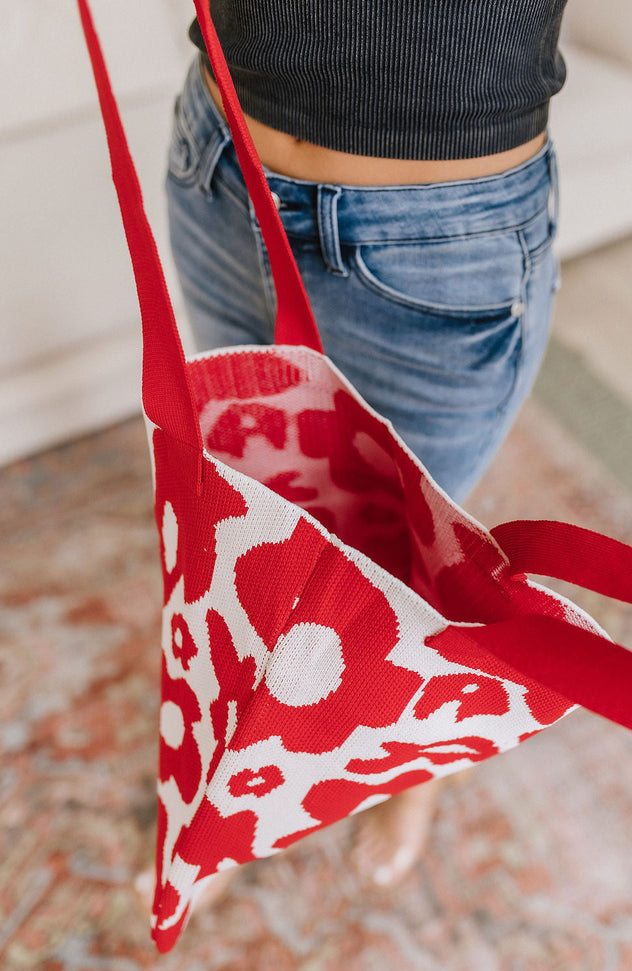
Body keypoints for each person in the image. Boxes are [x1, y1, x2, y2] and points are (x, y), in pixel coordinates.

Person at [157, 0, 565, 897]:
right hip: (223, 155)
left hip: (435, 232)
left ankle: (411, 763)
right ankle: (235, 787)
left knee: (409, 570)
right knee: (247, 520)